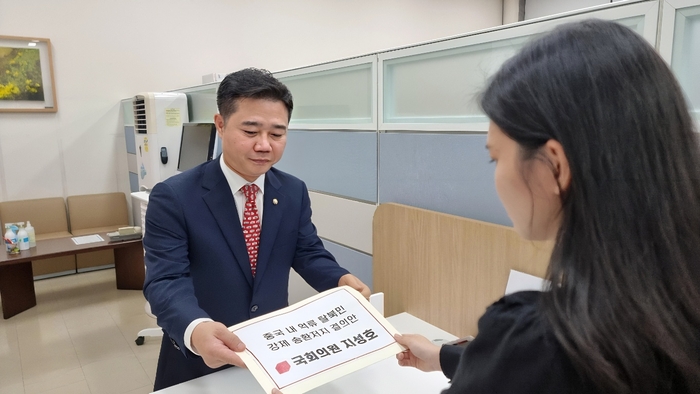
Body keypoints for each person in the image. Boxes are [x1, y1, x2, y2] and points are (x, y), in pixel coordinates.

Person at [394, 19, 700, 393]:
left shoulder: (541, 341)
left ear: (554, 166)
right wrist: (446, 357)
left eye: (496, 158)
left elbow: (531, 368)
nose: (496, 177)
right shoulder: (670, 310)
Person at [143, 68, 370, 390]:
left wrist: (339, 279)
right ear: (220, 124)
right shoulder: (175, 196)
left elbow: (306, 251)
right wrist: (195, 328)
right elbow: (165, 280)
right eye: (250, 131)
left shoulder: (292, 191)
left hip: (275, 350)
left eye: (277, 134)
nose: (265, 145)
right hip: (203, 358)